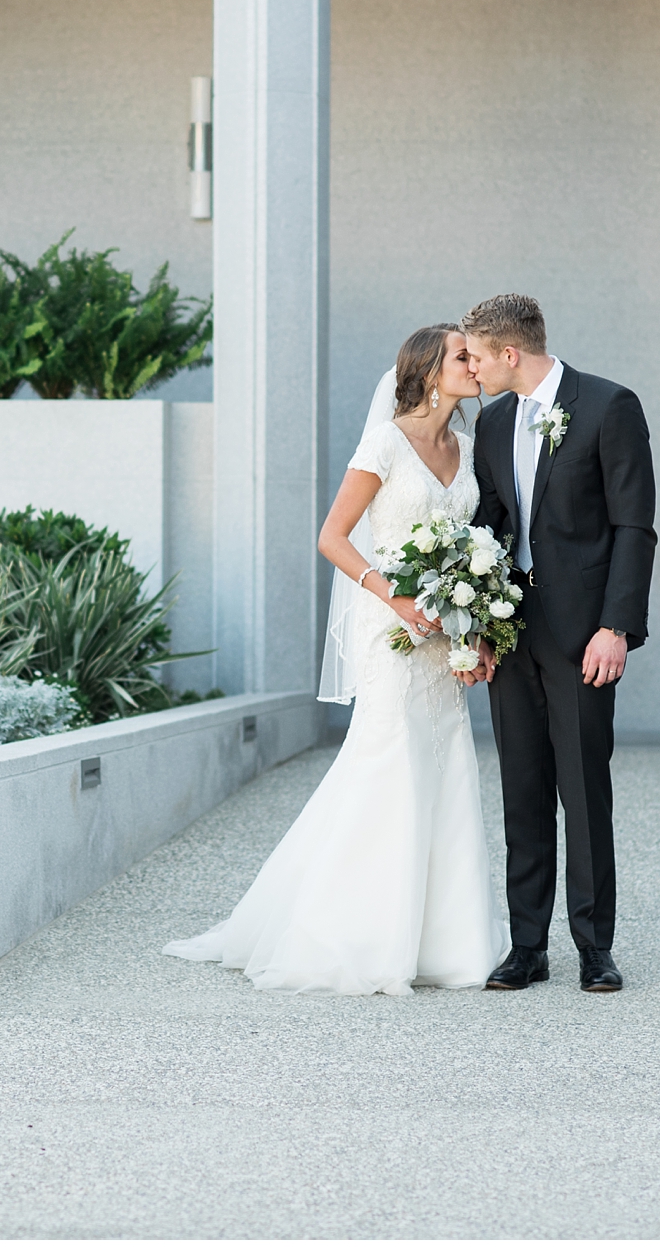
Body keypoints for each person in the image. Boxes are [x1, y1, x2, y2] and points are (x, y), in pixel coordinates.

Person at [163, 324, 499, 994]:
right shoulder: (384, 444)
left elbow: (473, 547)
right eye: (463, 356)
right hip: (394, 630)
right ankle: (351, 935)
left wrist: (476, 631)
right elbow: (333, 537)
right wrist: (396, 595)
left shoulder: (466, 447)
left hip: (443, 638)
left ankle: (448, 943)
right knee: (388, 763)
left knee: (444, 766)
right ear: (430, 372)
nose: (476, 364)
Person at [460, 294, 656, 995]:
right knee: (522, 788)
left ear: (509, 354)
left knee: (583, 788)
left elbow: (635, 526)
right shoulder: (492, 422)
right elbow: (489, 525)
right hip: (513, 630)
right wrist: (476, 627)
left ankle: (595, 948)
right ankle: (526, 946)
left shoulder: (608, 406)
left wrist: (617, 627)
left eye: (477, 357)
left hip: (583, 636)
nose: (470, 369)